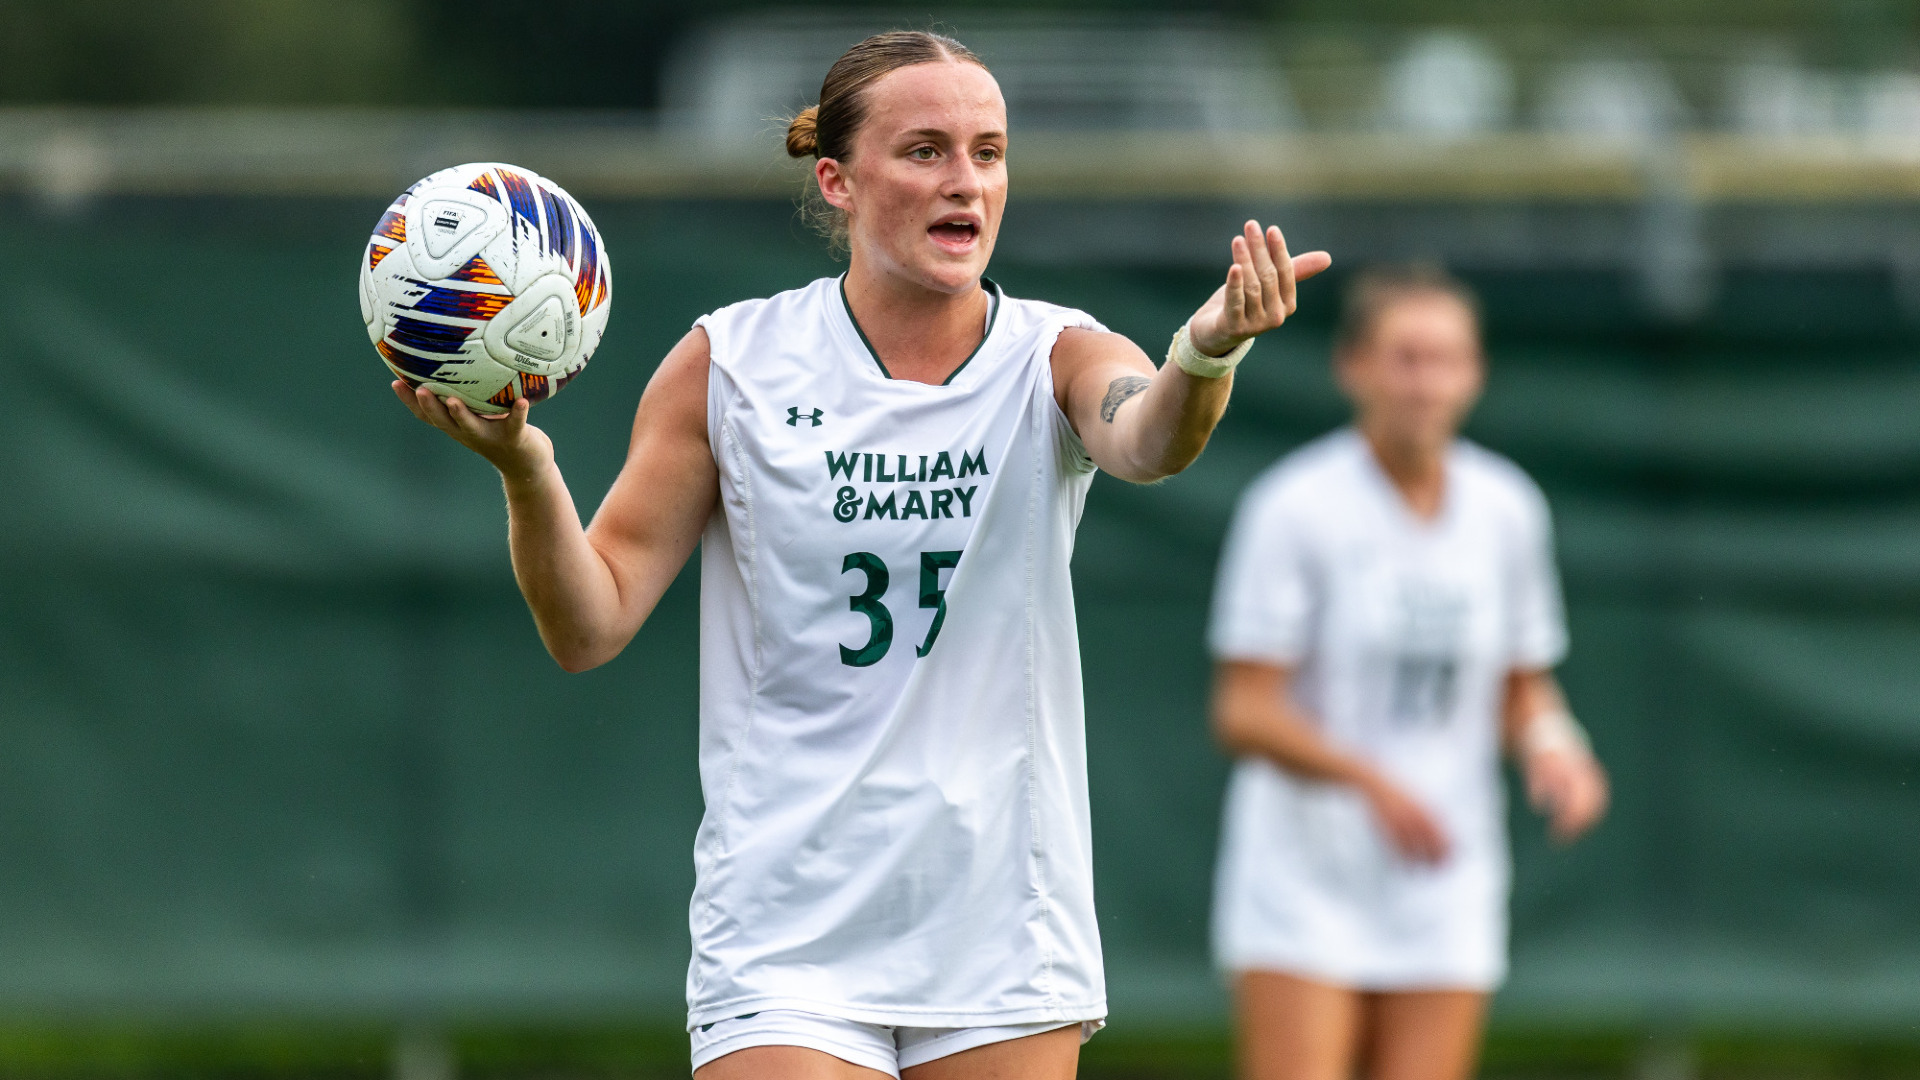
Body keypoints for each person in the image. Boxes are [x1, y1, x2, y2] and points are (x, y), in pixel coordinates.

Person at [392, 30, 1329, 1080]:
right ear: (837, 180)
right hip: (785, 929)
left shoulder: (1056, 353)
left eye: (989, 151)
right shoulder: (730, 363)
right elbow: (587, 624)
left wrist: (1204, 353)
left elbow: (1150, 435)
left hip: (1002, 919)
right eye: (925, 150)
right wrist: (527, 470)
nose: (966, 180)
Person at [1207, 265, 1609, 1080]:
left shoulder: (1507, 510)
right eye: (1405, 358)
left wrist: (1556, 748)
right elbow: (1244, 709)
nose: (1426, 383)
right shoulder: (1295, 507)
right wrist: (1372, 783)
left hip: (1445, 881)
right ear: (1353, 366)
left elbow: (1520, 684)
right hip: (1304, 884)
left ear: (1476, 373)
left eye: (1446, 359)